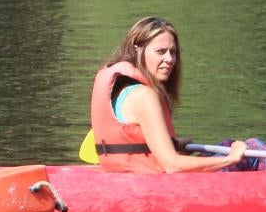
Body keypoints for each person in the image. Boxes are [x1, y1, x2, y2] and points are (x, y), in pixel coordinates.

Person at [90, 16, 251, 174]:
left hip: (127, 175)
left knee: (227, 144)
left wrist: (172, 145)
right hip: (148, 183)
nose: (169, 59)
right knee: (253, 150)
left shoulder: (124, 90)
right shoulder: (144, 96)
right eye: (160, 52)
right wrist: (231, 159)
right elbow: (172, 166)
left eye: (172, 52)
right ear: (136, 50)